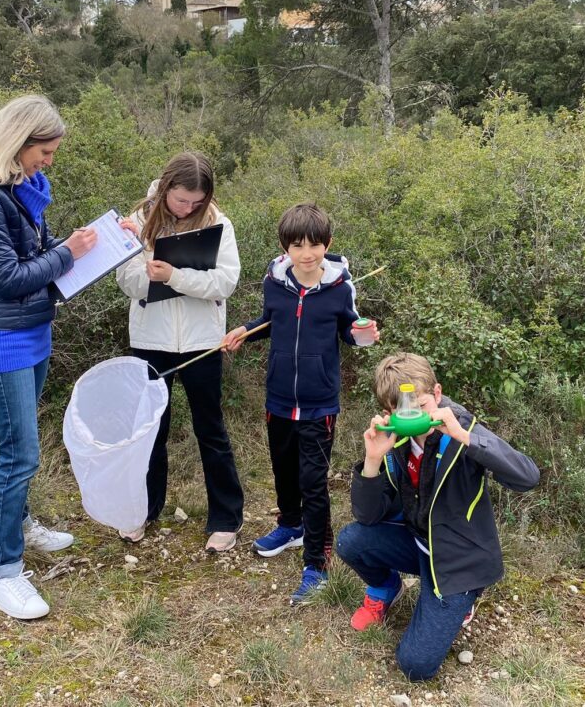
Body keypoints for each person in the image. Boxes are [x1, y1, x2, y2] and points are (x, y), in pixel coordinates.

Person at [0, 95, 100, 621]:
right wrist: (68, 253)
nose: (49, 162)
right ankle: (2, 573)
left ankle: (21, 522)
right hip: (2, 338)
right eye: (45, 152)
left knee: (12, 439)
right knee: (20, 453)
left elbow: (36, 251)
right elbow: (8, 280)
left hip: (30, 332)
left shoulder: (10, 189)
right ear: (19, 141)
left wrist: (93, 246)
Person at [336, 352, 540, 681]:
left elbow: (527, 477)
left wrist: (466, 438)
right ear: (388, 412)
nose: (413, 415)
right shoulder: (394, 441)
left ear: (437, 393)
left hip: (457, 562)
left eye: (420, 405)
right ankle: (386, 589)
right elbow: (368, 516)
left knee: (415, 665)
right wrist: (371, 462)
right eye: (401, 409)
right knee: (350, 541)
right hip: (417, 545)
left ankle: (464, 600)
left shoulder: (462, 430)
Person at [222, 203, 378, 603]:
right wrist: (244, 330)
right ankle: (290, 525)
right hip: (278, 398)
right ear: (284, 248)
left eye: (315, 245)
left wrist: (364, 334)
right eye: (297, 245)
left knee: (313, 481)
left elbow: (350, 331)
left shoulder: (341, 288)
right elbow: (271, 319)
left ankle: (316, 562)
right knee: (283, 470)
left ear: (328, 244)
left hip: (319, 403)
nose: (307, 254)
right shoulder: (274, 281)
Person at [116, 152, 245, 552]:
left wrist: (175, 276)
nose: (188, 208)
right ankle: (143, 511)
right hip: (150, 341)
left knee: (211, 429)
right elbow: (127, 281)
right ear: (167, 186)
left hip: (202, 342)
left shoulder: (218, 222)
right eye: (181, 200)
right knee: (151, 429)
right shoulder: (138, 220)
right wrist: (152, 267)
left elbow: (225, 282)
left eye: (196, 202)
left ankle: (225, 519)